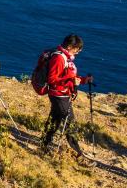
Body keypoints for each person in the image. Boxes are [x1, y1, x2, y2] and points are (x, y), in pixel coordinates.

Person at [41, 34, 95, 165]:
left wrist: (83, 80)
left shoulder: (66, 58)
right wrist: (71, 80)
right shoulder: (59, 58)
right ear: (70, 47)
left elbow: (68, 77)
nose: (79, 51)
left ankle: (44, 144)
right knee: (70, 125)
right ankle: (78, 155)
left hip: (61, 95)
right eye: (77, 49)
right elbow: (52, 79)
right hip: (59, 95)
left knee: (55, 119)